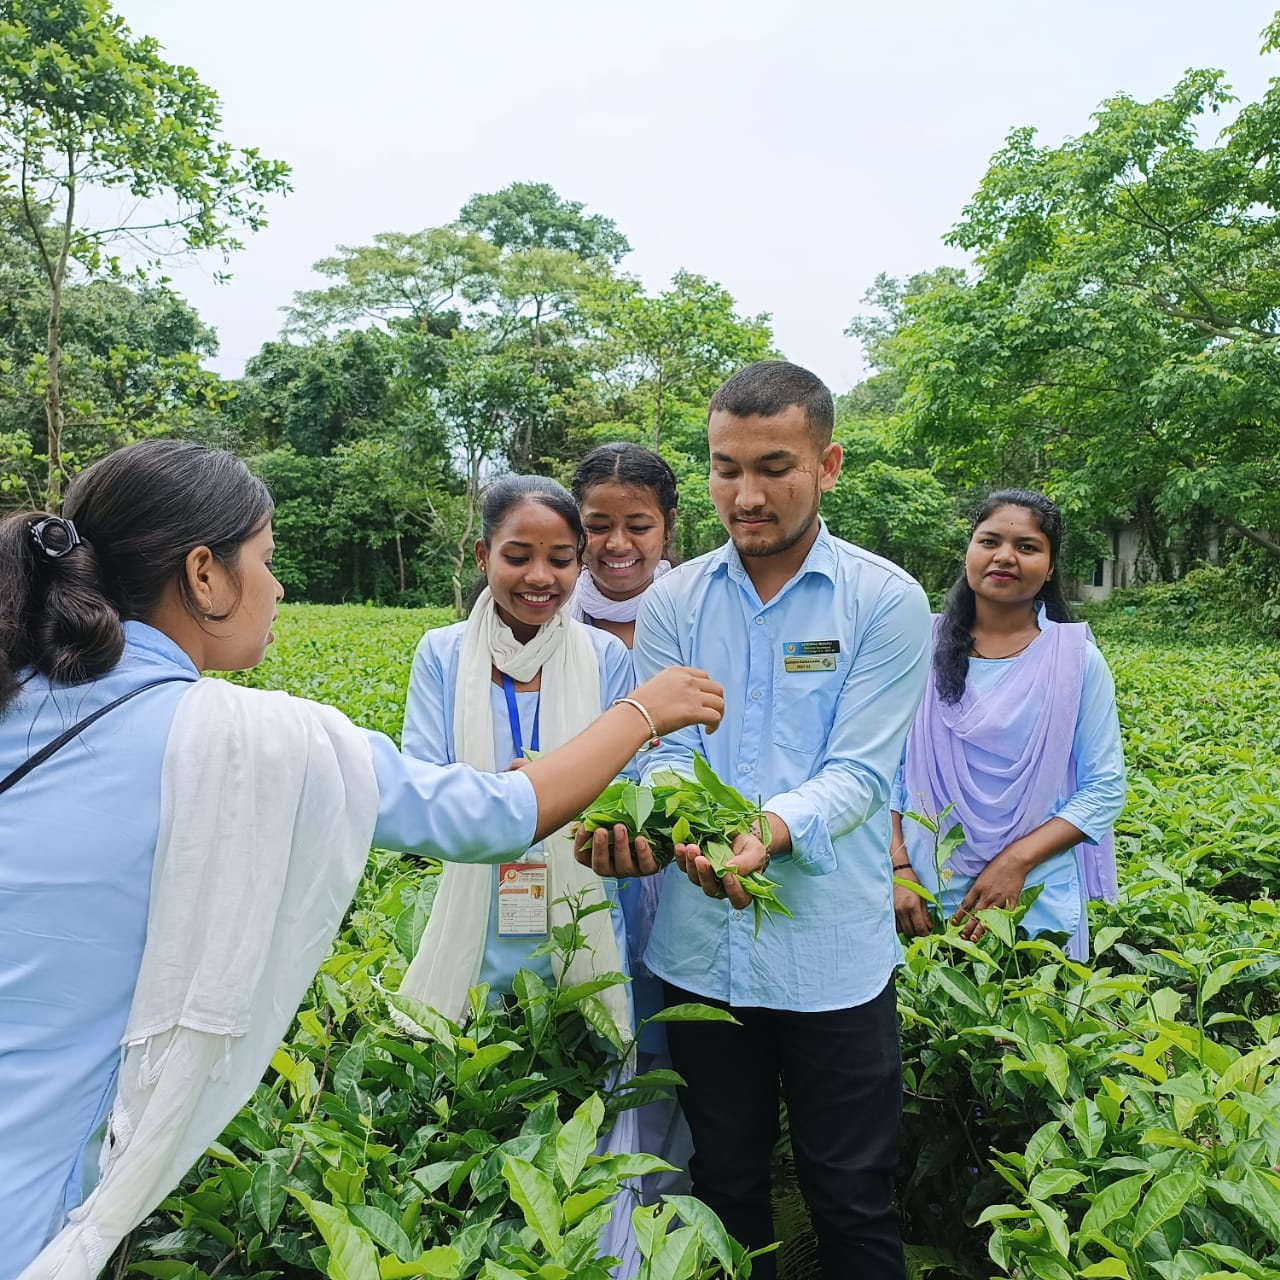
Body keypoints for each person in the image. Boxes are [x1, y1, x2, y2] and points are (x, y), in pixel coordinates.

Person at [0, 440, 724, 1280]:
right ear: (205, 575)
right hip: (38, 1196)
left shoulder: (23, 696)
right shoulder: (253, 737)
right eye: (265, 561)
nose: (279, 587)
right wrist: (642, 710)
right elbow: (492, 814)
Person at [578, 361, 933, 1280]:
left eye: (774, 465)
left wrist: (767, 831)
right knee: (724, 1188)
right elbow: (663, 751)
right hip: (700, 955)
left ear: (828, 464)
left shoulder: (884, 601)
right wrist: (666, 833)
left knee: (851, 1193)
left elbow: (859, 772)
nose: (746, 493)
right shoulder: (674, 600)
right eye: (724, 467)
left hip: (834, 959)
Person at [889, 489, 1125, 959]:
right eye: (990, 541)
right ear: (969, 552)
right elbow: (885, 773)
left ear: (1051, 566)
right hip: (920, 898)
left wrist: (1015, 863)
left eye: (1028, 547)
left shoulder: (1077, 661)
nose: (1005, 557)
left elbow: (1104, 790)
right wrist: (897, 869)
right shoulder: (917, 648)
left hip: (1035, 899)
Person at [570, 442, 693, 1199]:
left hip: (673, 863)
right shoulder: (545, 601)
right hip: (571, 857)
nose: (618, 546)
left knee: (667, 1035)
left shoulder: (695, 608)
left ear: (669, 525)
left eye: (638, 526)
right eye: (598, 525)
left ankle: (662, 1207)